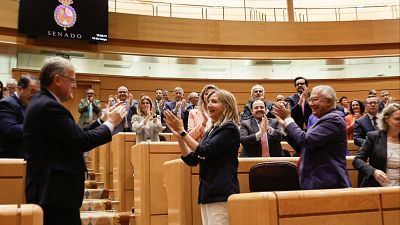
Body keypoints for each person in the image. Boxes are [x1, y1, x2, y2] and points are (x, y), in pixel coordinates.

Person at [23, 56, 127, 225]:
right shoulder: (48, 106)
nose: (75, 85)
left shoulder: (44, 103)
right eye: (72, 80)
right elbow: (81, 141)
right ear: (57, 79)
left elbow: (74, 134)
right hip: (54, 195)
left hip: (54, 194)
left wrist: (101, 121)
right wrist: (111, 123)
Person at [164, 88, 240, 225]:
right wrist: (180, 138)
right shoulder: (211, 129)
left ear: (226, 106)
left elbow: (204, 151)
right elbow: (193, 159)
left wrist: (182, 131)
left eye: (214, 101)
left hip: (221, 192)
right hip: (207, 192)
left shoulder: (229, 128)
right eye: (208, 101)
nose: (209, 105)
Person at [273, 85, 351, 189]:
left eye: (314, 100)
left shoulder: (333, 119)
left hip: (328, 185)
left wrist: (288, 119)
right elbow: (303, 147)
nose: (310, 104)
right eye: (310, 100)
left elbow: (305, 140)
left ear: (328, 101)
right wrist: (284, 124)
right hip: (317, 183)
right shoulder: (320, 120)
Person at [353, 103, 400, 187]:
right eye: (397, 119)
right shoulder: (373, 137)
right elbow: (357, 160)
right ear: (386, 120)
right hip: (378, 187)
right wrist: (373, 171)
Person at [0, 75, 39, 158]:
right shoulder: (7, 103)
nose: (35, 96)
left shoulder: (28, 103)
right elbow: (10, 129)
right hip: (10, 158)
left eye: (37, 93)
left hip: (25, 156)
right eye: (32, 91)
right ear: (20, 89)